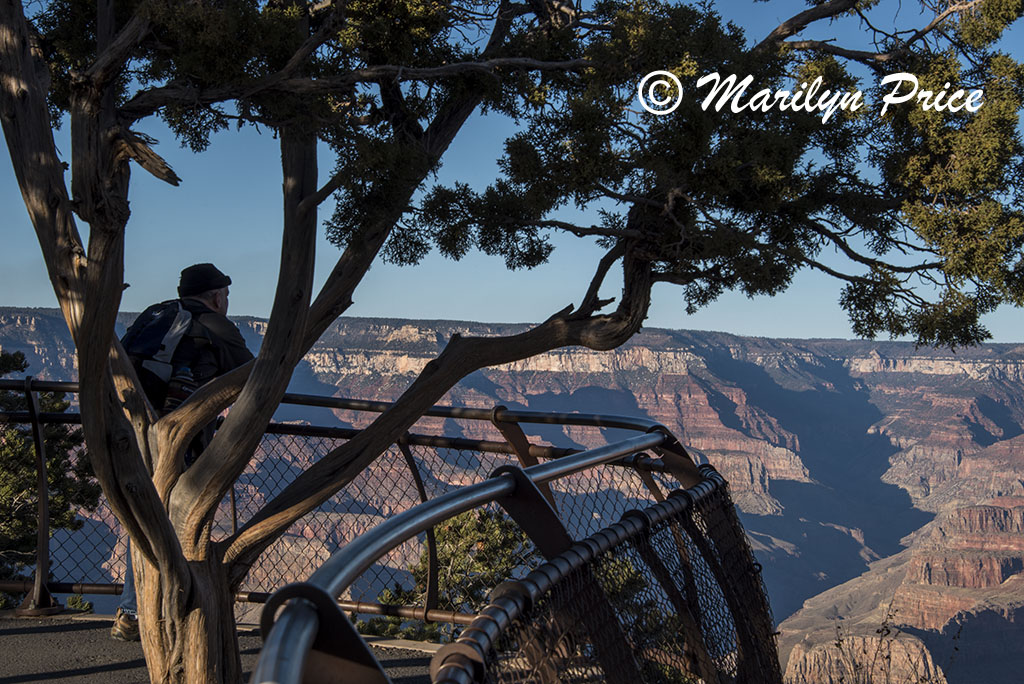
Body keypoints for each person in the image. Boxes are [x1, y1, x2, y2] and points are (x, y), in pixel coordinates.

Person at [111, 263, 255, 642]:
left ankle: (133, 609)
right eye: (225, 294)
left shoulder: (155, 313)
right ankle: (166, 609)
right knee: (178, 520)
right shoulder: (216, 324)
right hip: (181, 440)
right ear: (216, 295)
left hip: (132, 431)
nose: (225, 300)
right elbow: (256, 376)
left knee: (144, 516)